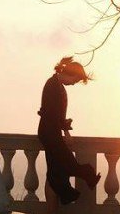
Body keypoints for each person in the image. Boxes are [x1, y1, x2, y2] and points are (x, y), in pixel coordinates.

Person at [37, 57, 100, 205]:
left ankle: (67, 195)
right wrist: (66, 131)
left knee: (56, 171)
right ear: (69, 73)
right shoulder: (52, 85)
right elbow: (52, 113)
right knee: (67, 164)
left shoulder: (58, 86)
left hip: (51, 132)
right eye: (75, 80)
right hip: (48, 133)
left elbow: (57, 115)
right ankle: (85, 176)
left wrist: (65, 130)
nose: (73, 83)